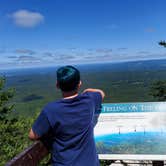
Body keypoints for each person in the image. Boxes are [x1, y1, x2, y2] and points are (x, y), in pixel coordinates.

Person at [29, 65, 105, 166]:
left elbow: (32, 135)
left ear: (57, 85)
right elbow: (101, 93)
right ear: (79, 84)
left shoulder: (51, 109)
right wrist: (87, 90)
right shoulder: (89, 100)